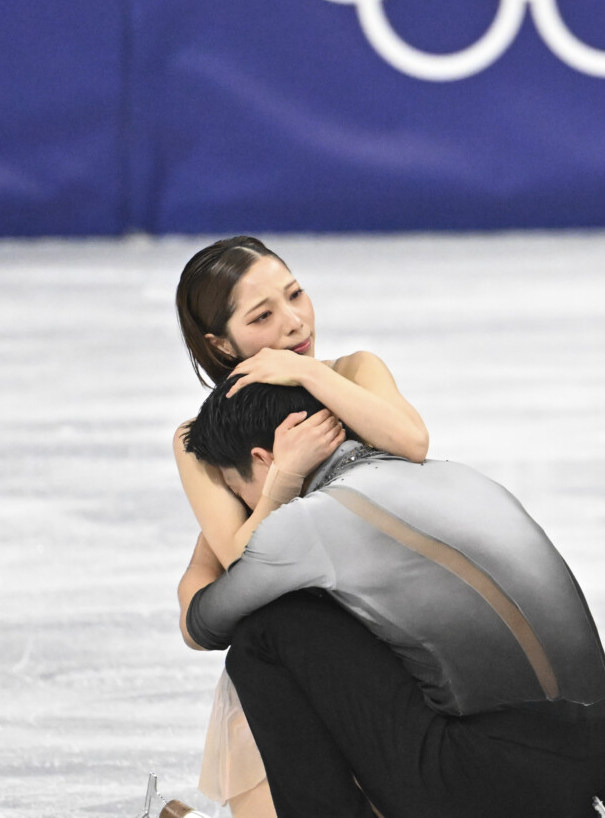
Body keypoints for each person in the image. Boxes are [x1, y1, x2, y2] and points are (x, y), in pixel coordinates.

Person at [179, 379, 605, 818]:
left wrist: (218, 540)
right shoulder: (455, 475)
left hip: (499, 783)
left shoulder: (311, 521)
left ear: (263, 459)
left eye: (239, 493)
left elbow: (204, 623)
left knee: (268, 631)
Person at [173, 236, 429, 817]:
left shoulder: (355, 373)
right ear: (220, 342)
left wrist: (306, 375)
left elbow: (411, 442)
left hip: (390, 636)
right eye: (262, 316)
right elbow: (238, 566)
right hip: (292, 647)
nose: (293, 323)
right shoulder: (205, 441)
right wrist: (285, 476)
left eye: (296, 295)